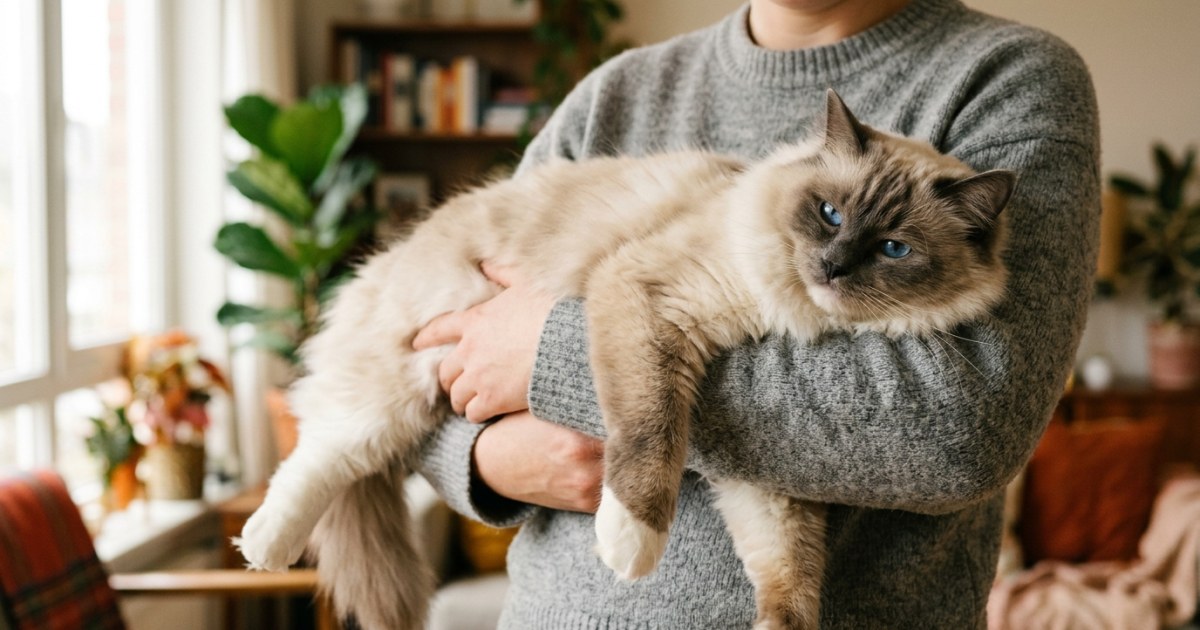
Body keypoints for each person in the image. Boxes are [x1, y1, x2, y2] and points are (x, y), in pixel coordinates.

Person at [412, 0, 1100, 626]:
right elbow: (428, 351)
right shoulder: (614, 93)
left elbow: (960, 432)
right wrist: (488, 460)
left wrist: (557, 356)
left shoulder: (1010, 79)